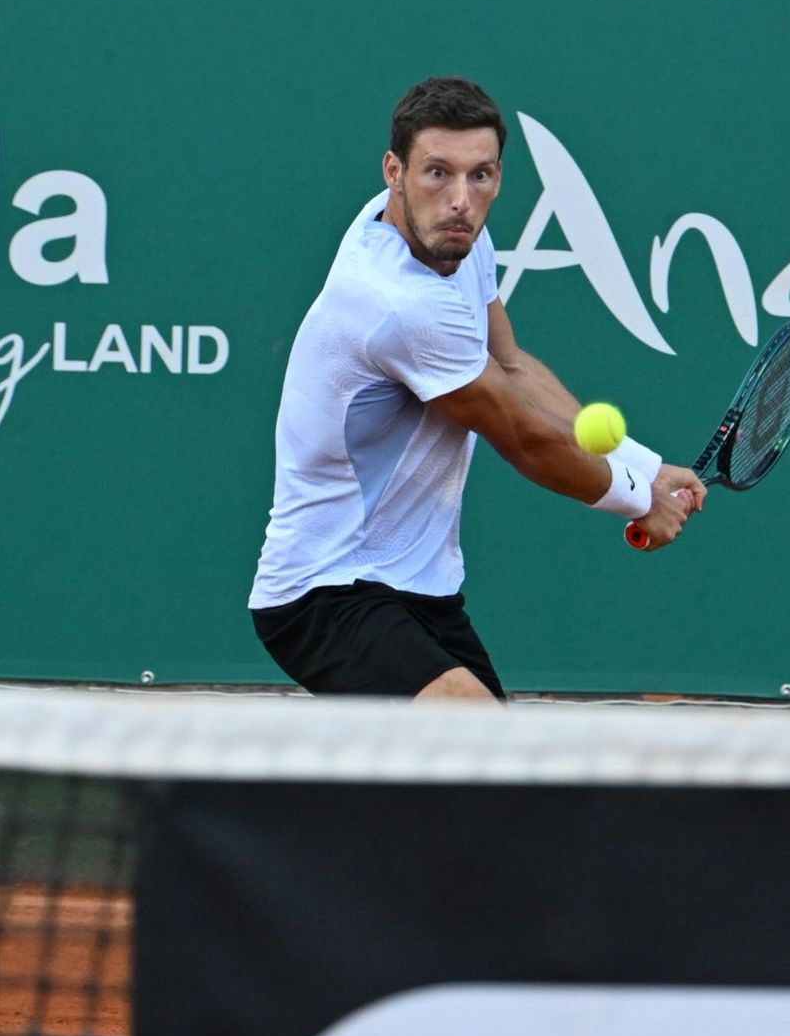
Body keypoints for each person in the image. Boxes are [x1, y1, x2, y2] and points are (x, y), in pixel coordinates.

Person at [248, 75, 705, 700]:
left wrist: (644, 466)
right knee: (474, 747)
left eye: (480, 175)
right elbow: (521, 436)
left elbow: (511, 366)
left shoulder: (456, 237)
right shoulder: (399, 303)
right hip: (327, 588)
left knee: (488, 782)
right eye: (437, 173)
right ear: (394, 171)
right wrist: (637, 498)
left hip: (421, 587)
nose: (461, 199)